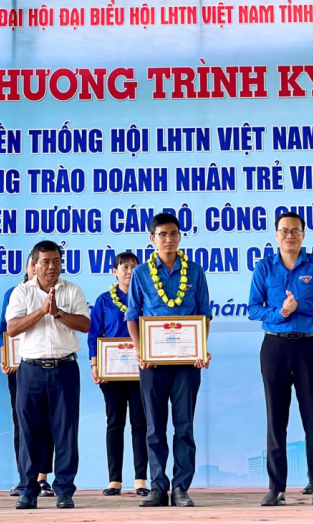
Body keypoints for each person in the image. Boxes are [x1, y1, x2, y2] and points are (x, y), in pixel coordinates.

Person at [248, 212, 313, 507]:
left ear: (303, 234)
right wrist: (280, 312)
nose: (290, 235)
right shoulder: (264, 267)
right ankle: (276, 488)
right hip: (275, 346)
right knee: (276, 419)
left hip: (308, 347)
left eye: (295, 231)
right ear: (276, 235)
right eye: (284, 231)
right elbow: (253, 308)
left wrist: (300, 306)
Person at [126, 213, 212, 508]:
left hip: (187, 364)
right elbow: (132, 315)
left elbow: (204, 314)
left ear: (180, 236)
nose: (168, 239)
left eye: (173, 233)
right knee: (154, 427)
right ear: (152, 239)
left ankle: (181, 488)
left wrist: (201, 348)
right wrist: (140, 350)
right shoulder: (141, 273)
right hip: (152, 364)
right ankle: (158, 487)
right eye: (162, 234)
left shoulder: (195, 272)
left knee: (184, 426)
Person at [7, 241, 91, 510]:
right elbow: (12, 328)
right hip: (30, 370)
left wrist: (58, 313)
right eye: (45, 262)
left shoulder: (73, 290)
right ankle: (27, 491)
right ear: (34, 264)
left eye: (56, 261)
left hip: (65, 369)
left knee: (66, 431)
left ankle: (64, 490)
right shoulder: (22, 292)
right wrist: (42, 311)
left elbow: (85, 324)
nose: (52, 266)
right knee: (29, 432)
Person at [88, 252, 149, 497]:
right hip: (111, 372)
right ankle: (114, 480)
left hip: (141, 371)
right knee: (114, 423)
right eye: (124, 267)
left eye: (134, 267)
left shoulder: (147, 298)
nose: (129, 271)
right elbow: (94, 334)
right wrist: (95, 364)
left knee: (140, 424)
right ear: (114, 272)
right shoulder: (104, 300)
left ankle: (141, 479)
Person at [0, 258, 55, 497]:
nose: (38, 268)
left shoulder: (56, 291)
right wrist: (5, 358)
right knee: (22, 422)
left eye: (41, 263)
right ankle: (25, 476)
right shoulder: (14, 293)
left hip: (50, 366)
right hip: (20, 367)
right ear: (28, 267)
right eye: (34, 264)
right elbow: (4, 329)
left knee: (49, 421)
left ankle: (42, 477)